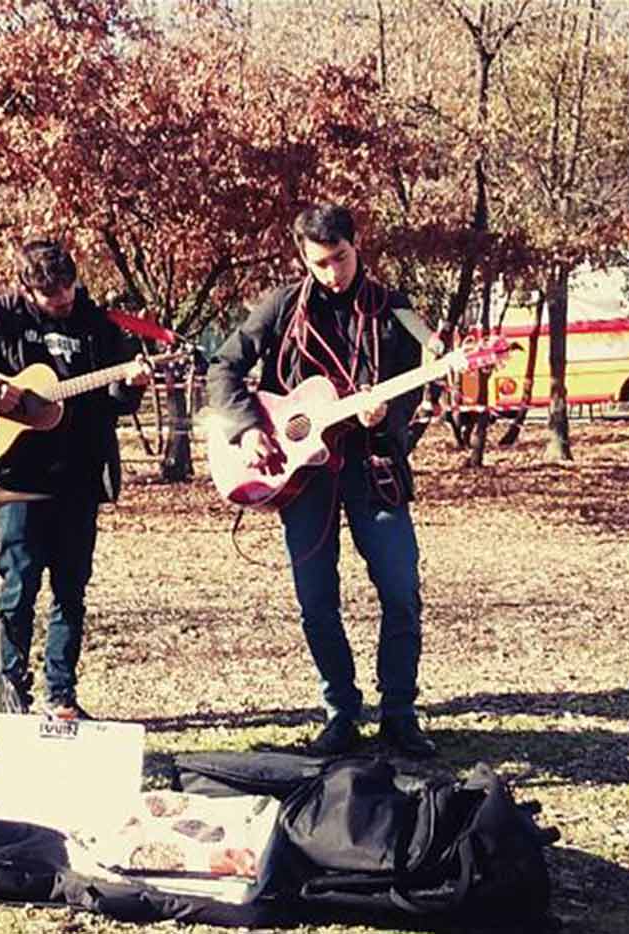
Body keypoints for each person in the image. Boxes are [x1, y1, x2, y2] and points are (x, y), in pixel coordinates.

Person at [206, 203, 436, 758]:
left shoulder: (393, 310)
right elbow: (224, 369)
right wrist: (245, 430)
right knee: (316, 600)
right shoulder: (282, 306)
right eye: (321, 263)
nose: (334, 273)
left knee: (401, 589)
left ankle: (399, 714)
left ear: (359, 246)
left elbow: (415, 382)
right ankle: (339, 712)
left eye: (342, 258)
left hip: (372, 470)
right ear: (302, 259)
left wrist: (391, 413)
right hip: (303, 475)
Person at [0, 241, 151, 720]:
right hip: (19, 475)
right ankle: (12, 689)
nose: (63, 302)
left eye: (68, 291)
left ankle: (62, 694)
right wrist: (2, 395)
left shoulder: (97, 324)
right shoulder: (2, 318)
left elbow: (113, 400)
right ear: (27, 289)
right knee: (18, 587)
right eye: (51, 296)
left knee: (71, 589)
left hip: (80, 474)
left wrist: (128, 386)